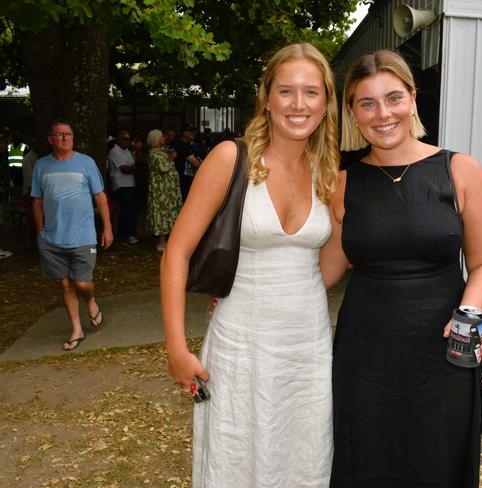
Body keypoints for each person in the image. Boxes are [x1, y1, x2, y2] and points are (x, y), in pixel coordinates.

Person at [320, 50, 482, 487]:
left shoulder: (460, 170)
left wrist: (472, 314)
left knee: (436, 460)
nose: (382, 113)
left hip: (443, 351)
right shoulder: (342, 185)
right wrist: (246, 288)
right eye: (367, 103)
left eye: (393, 98)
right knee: (365, 457)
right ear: (352, 112)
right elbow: (322, 271)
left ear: (413, 99)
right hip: (364, 356)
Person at [161, 42, 339, 487]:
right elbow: (176, 253)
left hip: (308, 348)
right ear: (266, 97)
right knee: (235, 454)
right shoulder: (230, 158)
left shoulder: (327, 170)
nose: (299, 104)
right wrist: (176, 349)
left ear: (326, 102)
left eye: (311, 92)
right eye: (286, 91)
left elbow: (335, 256)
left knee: (303, 456)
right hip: (242, 343)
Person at [31, 119, 113, 350]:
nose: (65, 138)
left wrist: (107, 227)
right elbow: (36, 201)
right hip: (52, 238)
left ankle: (90, 300)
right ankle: (76, 329)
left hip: (83, 235)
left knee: (82, 282)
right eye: (59, 134)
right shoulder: (41, 166)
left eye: (68, 134)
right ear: (50, 140)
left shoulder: (86, 163)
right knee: (65, 284)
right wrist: (40, 230)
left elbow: (100, 197)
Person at [145, 129, 181, 252]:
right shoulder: (154, 153)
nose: (163, 139)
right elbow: (163, 167)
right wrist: (171, 157)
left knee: (169, 212)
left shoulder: (160, 151)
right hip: (160, 190)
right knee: (161, 212)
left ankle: (170, 239)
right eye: (161, 137)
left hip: (168, 190)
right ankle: (161, 242)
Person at [108, 129, 138, 244]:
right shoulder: (114, 152)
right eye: (125, 139)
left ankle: (122, 233)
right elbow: (125, 169)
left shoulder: (127, 151)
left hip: (130, 184)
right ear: (118, 139)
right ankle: (129, 234)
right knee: (128, 210)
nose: (128, 141)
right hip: (121, 185)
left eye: (129, 139)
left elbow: (132, 166)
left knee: (128, 210)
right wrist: (133, 168)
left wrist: (132, 167)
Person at [171, 124, 202, 201]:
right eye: (191, 131)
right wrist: (200, 162)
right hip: (183, 181)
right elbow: (196, 163)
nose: (194, 133)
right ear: (185, 133)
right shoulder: (182, 146)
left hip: (188, 179)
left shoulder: (188, 145)